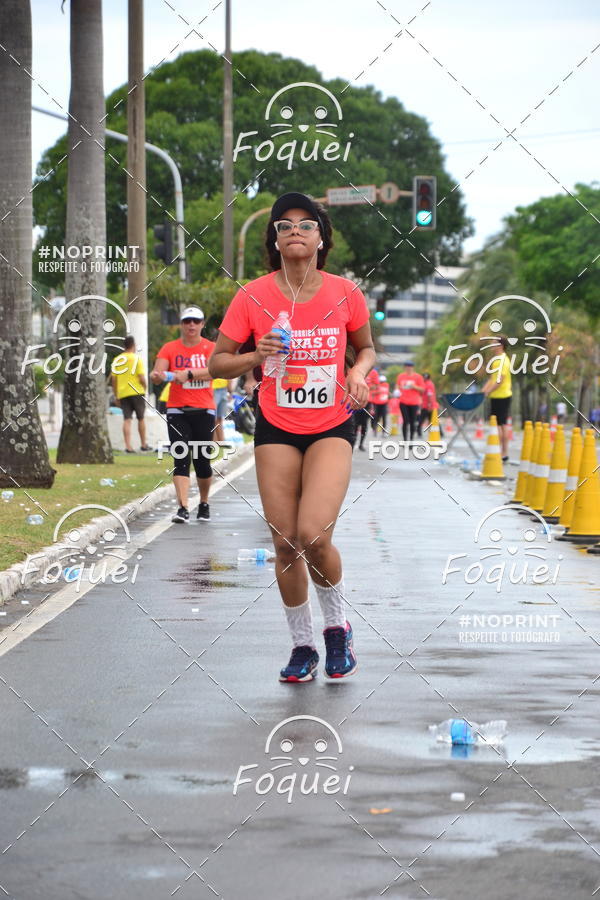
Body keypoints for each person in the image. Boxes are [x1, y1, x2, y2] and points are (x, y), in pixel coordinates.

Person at [209, 191, 375, 683]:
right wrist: (256, 356)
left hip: (331, 425)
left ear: (321, 238)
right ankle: (302, 645)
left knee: (314, 535)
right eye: (285, 225)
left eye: (306, 224)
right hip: (276, 425)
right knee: (284, 542)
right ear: (275, 240)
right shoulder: (253, 296)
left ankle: (336, 629)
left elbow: (366, 349)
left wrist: (360, 373)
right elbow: (218, 363)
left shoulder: (345, 293)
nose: (296, 231)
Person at [151, 307, 216, 523]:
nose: (191, 325)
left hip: (204, 410)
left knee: (202, 461)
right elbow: (158, 374)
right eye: (187, 321)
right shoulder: (170, 348)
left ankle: (204, 503)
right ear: (181, 324)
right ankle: (183, 507)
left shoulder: (210, 348)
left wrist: (189, 374)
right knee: (181, 457)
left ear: (202, 324)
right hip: (177, 409)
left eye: (196, 321)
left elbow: (216, 370)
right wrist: (157, 376)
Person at [111, 335, 151, 453]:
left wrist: (116, 394)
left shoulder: (117, 360)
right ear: (133, 345)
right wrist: (145, 387)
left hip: (123, 393)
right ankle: (143, 444)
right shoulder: (136, 359)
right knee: (141, 418)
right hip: (137, 392)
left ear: (124, 346)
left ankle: (128, 446)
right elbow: (142, 377)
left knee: (127, 419)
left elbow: (114, 380)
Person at [482, 334, 512, 461]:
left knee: (500, 425)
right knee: (499, 424)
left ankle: (502, 453)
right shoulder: (496, 360)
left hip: (502, 396)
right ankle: (501, 452)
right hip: (496, 396)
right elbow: (492, 379)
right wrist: (483, 391)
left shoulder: (502, 361)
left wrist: (487, 392)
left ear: (501, 346)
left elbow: (499, 381)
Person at [396, 361, 424, 442]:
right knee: (405, 420)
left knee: (413, 421)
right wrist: (397, 390)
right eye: (407, 366)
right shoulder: (401, 376)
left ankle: (411, 440)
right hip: (403, 401)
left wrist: (414, 386)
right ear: (405, 367)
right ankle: (405, 440)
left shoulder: (418, 377)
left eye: (410, 366)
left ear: (413, 367)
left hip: (414, 402)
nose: (408, 368)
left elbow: (422, 389)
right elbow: (397, 385)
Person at [212, 376, 235, 441]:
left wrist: (230, 390)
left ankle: (221, 441)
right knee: (213, 418)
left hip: (224, 389)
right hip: (213, 388)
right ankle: (214, 441)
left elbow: (229, 373)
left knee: (220, 418)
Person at [418, 372, 439, 437]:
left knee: (423, 420)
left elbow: (429, 395)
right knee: (433, 420)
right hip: (429, 405)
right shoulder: (429, 383)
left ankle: (419, 432)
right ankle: (440, 433)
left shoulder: (428, 384)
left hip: (428, 406)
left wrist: (429, 404)